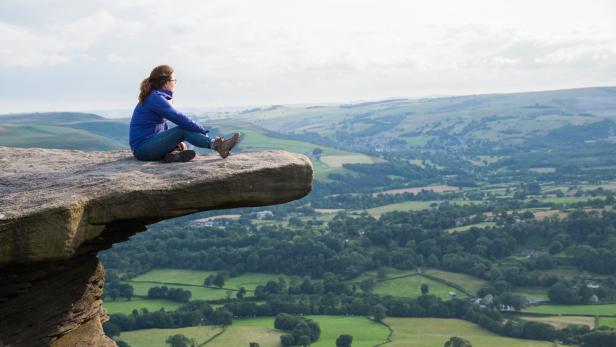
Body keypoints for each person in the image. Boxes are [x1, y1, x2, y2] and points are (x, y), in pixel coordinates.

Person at [129, 64, 240, 162]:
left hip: (145, 146)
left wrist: (174, 142)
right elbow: (179, 118)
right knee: (183, 129)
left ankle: (173, 154)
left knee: (182, 142)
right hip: (143, 149)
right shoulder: (155, 98)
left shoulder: (155, 96)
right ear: (165, 82)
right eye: (173, 80)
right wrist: (200, 128)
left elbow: (160, 127)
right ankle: (218, 146)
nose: (174, 83)